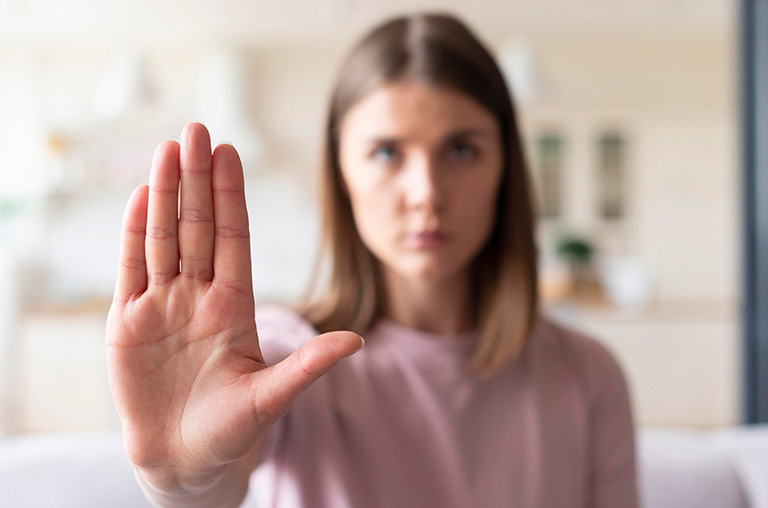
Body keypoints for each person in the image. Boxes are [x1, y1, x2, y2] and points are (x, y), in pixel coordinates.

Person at [106, 12, 639, 508]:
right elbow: (217, 478)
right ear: (342, 175)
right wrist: (180, 475)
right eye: (387, 153)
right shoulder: (281, 360)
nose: (426, 193)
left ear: (505, 166)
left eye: (460, 150)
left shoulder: (587, 376)